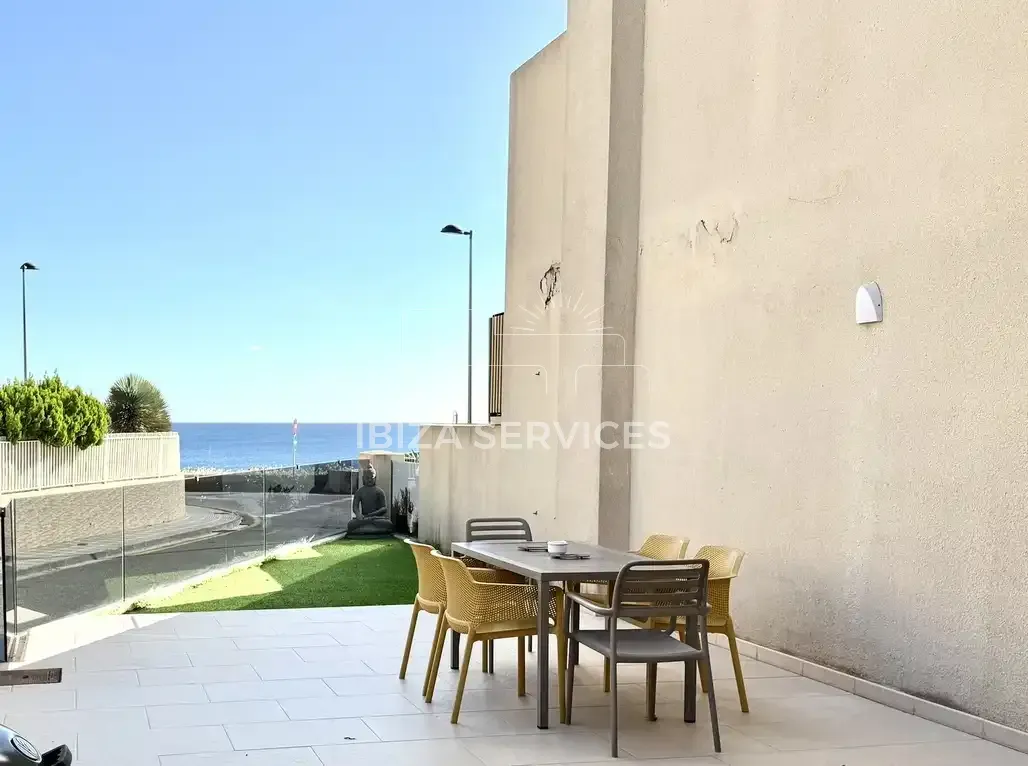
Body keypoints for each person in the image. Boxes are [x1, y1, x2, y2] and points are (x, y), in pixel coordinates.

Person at [346, 466, 393, 536]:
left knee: (388, 524)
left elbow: (384, 508)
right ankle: (373, 528)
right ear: (363, 478)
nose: (370, 480)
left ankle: (365, 527)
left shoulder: (379, 491)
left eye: (372, 477)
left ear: (375, 478)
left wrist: (373, 514)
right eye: (367, 478)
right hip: (364, 518)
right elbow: (355, 507)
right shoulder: (359, 491)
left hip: (376, 518)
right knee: (350, 524)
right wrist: (359, 515)